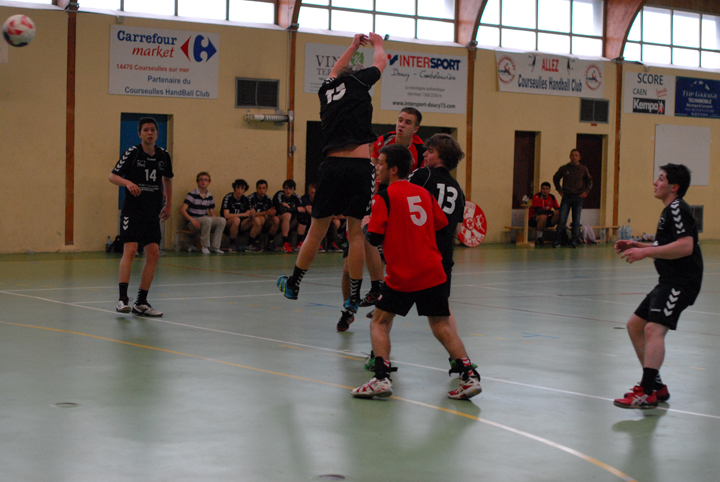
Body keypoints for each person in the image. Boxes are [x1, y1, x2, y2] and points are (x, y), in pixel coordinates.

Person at [351, 144, 482, 400]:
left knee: (380, 322)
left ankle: (381, 378)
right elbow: (441, 224)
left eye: (381, 163)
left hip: (404, 274)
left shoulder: (384, 197)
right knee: (441, 325)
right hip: (432, 269)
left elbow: (374, 238)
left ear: (393, 169)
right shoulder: (423, 194)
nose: (377, 168)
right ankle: (470, 376)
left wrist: (366, 224)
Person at [277, 32, 387, 314]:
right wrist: (377, 43)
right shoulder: (359, 81)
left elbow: (335, 70)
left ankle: (294, 283)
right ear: (357, 77)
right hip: (359, 167)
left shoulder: (325, 90)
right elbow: (381, 63)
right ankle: (353, 296)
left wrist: (352, 45)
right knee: (356, 233)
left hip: (331, 165)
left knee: (316, 231)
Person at [613, 164, 703, 409]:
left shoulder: (678, 209)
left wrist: (646, 253)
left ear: (674, 187)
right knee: (635, 326)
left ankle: (646, 392)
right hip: (668, 281)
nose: (655, 182)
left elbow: (686, 246)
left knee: (653, 329)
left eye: (661, 179)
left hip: (681, 282)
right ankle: (657, 386)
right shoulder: (669, 211)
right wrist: (638, 245)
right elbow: (666, 244)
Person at [358, 107, 427, 313]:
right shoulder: (383, 141)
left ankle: (387, 298)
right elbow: (372, 172)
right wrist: (370, 201)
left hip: (404, 200)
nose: (401, 125)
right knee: (371, 242)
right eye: (400, 120)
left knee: (394, 251)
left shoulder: (420, 150)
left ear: (415, 129)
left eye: (407, 122)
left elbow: (419, 182)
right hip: (382, 196)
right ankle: (376, 289)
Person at [109, 117, 173, 317]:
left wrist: (169, 204)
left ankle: (141, 302)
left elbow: (167, 179)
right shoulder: (133, 152)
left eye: (153, 130)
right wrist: (127, 183)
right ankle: (122, 299)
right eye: (146, 130)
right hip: (133, 210)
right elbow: (113, 176)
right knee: (130, 249)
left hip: (152, 211)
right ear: (140, 133)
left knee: (153, 253)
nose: (150, 133)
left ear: (157, 133)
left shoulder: (164, 155)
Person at [552, 149, 592, 248]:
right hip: (566, 197)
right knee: (562, 219)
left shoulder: (583, 169)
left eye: (576, 155)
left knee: (576, 220)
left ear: (579, 157)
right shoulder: (564, 168)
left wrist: (586, 191)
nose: (574, 157)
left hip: (578, 198)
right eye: (572, 155)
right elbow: (556, 178)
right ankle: (557, 240)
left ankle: (574, 241)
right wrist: (559, 189)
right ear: (570, 157)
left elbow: (589, 181)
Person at [180, 172, 226, 254]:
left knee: (222, 220)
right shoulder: (191, 194)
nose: (203, 182)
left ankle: (215, 247)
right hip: (193, 222)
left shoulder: (209, 196)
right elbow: (182, 210)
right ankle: (205, 246)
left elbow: (212, 213)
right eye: (201, 179)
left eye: (205, 180)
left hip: (206, 221)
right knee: (207, 219)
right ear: (197, 182)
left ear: (209, 182)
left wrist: (214, 222)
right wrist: (192, 220)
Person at [273, 179, 305, 253]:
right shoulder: (279, 194)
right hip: (279, 218)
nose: (288, 191)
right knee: (287, 215)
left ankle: (299, 243)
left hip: (291, 220)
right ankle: (285, 243)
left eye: (290, 189)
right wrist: (294, 209)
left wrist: (289, 208)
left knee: (303, 216)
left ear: (293, 189)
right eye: (286, 188)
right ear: (283, 188)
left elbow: (302, 209)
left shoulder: (295, 196)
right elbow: (281, 210)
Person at [221, 179, 253, 252]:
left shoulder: (245, 199)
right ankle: (232, 244)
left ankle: (251, 244)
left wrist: (252, 213)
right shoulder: (228, 197)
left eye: (242, 188)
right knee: (236, 220)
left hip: (242, 224)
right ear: (234, 188)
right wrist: (243, 214)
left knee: (257, 220)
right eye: (238, 188)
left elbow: (249, 213)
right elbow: (226, 215)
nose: (239, 190)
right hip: (228, 224)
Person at [246, 179, 278, 252]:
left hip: (264, 222)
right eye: (260, 188)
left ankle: (270, 242)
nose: (262, 190)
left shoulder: (268, 199)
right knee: (259, 219)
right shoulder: (251, 198)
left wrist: (272, 212)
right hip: (251, 221)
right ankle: (251, 243)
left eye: (264, 188)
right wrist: (265, 212)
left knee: (276, 219)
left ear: (266, 189)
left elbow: (272, 211)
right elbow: (250, 214)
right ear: (257, 189)